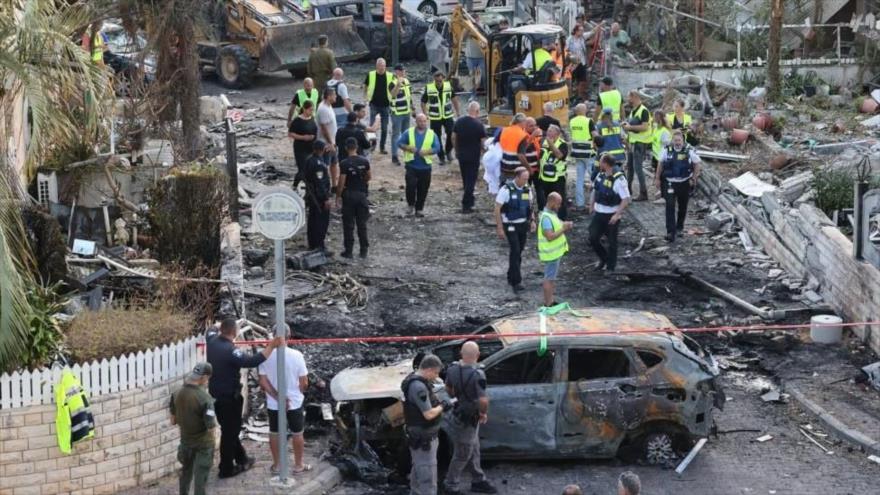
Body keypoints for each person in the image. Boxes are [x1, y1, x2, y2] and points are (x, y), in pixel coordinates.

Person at [206, 320, 282, 479]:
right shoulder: (230, 350)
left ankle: (242, 458)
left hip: (217, 396)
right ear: (234, 332)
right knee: (229, 433)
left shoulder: (212, 341)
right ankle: (225, 469)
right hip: (229, 398)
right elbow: (252, 361)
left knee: (230, 429)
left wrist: (218, 325)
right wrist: (271, 346)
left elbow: (211, 329)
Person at [443, 342, 497, 495]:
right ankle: (451, 485)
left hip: (459, 414)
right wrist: (483, 413)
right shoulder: (478, 374)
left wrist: (457, 396)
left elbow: (448, 388)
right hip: (470, 418)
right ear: (478, 355)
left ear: (461, 353)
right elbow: (483, 400)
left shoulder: (452, 368)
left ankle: (478, 480)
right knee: (462, 454)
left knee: (474, 448)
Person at [257, 328, 311, 476]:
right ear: (289, 336)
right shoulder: (297, 355)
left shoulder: (265, 356)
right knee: (297, 432)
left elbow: (263, 381)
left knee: (274, 432)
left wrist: (278, 397)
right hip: (295, 402)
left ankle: (277, 465)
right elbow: (304, 382)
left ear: (273, 336)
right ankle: (299, 465)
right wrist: (298, 392)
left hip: (274, 403)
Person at [401, 354, 449, 495]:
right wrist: (443, 406)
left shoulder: (412, 379)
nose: (436, 377)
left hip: (418, 435)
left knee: (418, 471)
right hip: (423, 438)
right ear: (428, 369)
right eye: (435, 373)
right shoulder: (418, 387)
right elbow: (428, 414)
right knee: (428, 477)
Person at [170, 363, 216, 495]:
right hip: (203, 444)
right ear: (205, 377)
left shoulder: (176, 394)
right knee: (200, 477)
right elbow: (210, 426)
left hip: (185, 441)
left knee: (185, 473)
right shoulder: (206, 399)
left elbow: (173, 420)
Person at [655, 130, 701, 243]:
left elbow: (697, 164)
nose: (677, 142)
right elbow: (660, 164)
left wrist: (694, 178)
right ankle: (670, 232)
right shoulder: (666, 150)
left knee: (682, 207)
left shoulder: (689, 151)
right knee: (670, 205)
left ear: (683, 140)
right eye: (675, 140)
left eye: (679, 140)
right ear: (672, 141)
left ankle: (679, 227)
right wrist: (657, 178)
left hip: (684, 183)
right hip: (669, 182)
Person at [494, 167, 534, 293]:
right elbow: (497, 209)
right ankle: (516, 281)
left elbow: (530, 207)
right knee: (515, 250)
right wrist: (500, 227)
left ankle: (511, 275)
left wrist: (533, 221)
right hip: (509, 224)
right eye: (524, 179)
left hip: (522, 224)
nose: (526, 181)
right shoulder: (506, 190)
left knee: (519, 251)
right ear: (517, 177)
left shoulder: (527, 189)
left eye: (527, 179)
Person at [589, 154, 630, 273]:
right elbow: (595, 190)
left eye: (600, 162)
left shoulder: (619, 179)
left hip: (611, 215)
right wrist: (591, 205)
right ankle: (604, 258)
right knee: (592, 237)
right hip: (599, 213)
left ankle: (611, 267)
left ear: (606, 164)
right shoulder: (600, 175)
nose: (598, 164)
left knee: (612, 242)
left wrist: (617, 215)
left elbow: (626, 199)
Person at [398, 114, 441, 217]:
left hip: (425, 166)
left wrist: (427, 152)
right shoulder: (409, 132)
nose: (422, 123)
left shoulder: (431, 134)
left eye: (424, 121)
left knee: (423, 188)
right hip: (411, 165)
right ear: (416, 122)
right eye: (420, 121)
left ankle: (419, 209)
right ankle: (411, 204)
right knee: (410, 186)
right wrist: (408, 148)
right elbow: (399, 143)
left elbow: (437, 148)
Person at [337, 137, 371, 258]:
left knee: (348, 224)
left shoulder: (344, 163)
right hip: (361, 195)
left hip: (349, 195)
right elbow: (369, 176)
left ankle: (349, 251)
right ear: (357, 147)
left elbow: (341, 182)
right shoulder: (364, 161)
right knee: (362, 224)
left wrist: (338, 196)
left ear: (346, 148)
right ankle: (363, 250)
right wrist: (362, 182)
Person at [538, 192, 572, 307]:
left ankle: (551, 301)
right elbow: (550, 236)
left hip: (554, 253)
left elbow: (556, 225)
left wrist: (564, 224)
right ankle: (548, 304)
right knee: (549, 279)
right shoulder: (546, 218)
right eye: (558, 204)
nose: (559, 206)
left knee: (551, 279)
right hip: (551, 254)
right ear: (551, 202)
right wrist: (563, 228)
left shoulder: (551, 214)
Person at [453, 101, 487, 213]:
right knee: (471, 180)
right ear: (477, 111)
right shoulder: (478, 125)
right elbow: (483, 141)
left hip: (461, 155)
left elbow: (453, 137)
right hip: (473, 156)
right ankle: (466, 205)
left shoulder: (459, 121)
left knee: (465, 178)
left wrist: (456, 150)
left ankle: (470, 200)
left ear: (468, 110)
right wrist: (483, 152)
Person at [421, 71, 460, 165]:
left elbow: (454, 99)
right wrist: (425, 115)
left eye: (440, 80)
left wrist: (458, 111)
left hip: (448, 115)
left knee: (451, 134)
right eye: (437, 80)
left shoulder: (448, 86)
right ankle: (441, 157)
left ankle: (448, 151)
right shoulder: (429, 88)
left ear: (443, 79)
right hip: (435, 117)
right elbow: (423, 102)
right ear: (434, 79)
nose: (439, 82)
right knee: (436, 138)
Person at [622, 90, 652, 201]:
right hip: (632, 143)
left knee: (638, 168)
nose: (628, 100)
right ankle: (628, 190)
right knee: (630, 167)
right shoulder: (633, 111)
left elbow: (644, 127)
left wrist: (630, 128)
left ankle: (643, 193)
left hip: (640, 143)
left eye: (629, 97)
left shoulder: (644, 111)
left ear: (634, 97)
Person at [303, 140, 333, 253]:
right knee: (320, 222)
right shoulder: (318, 164)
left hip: (312, 195)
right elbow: (320, 182)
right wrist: (326, 198)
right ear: (322, 149)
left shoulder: (310, 160)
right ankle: (319, 245)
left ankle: (312, 243)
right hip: (319, 197)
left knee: (312, 220)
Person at [537, 125, 569, 219]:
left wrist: (551, 144)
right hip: (544, 177)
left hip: (557, 178)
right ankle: (549, 217)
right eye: (548, 130)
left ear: (557, 134)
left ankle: (561, 219)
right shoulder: (543, 142)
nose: (548, 132)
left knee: (559, 199)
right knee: (547, 199)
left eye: (551, 131)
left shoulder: (562, 144)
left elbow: (559, 156)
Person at [570, 103, 597, 210]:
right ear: (585, 111)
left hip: (577, 153)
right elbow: (595, 135)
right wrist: (596, 145)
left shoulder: (572, 121)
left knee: (579, 179)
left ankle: (580, 204)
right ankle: (593, 203)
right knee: (595, 178)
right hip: (588, 153)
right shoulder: (589, 121)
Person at [364, 58, 393, 154]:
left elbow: (393, 89)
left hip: (386, 105)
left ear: (385, 66)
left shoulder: (390, 76)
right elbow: (366, 87)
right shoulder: (371, 74)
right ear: (376, 66)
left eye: (383, 66)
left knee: (385, 128)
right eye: (379, 66)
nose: (381, 68)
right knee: (371, 127)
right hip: (374, 104)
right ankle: (372, 145)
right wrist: (365, 98)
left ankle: (382, 147)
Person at [390, 64, 415, 166]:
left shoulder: (407, 81)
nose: (404, 72)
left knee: (406, 134)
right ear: (397, 72)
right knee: (396, 135)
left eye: (404, 70)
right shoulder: (392, 83)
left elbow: (409, 96)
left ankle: (407, 156)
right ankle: (394, 156)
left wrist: (413, 109)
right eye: (402, 70)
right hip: (397, 113)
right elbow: (393, 94)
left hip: (406, 112)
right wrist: (398, 84)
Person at [498, 113, 530, 180]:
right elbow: (521, 155)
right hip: (516, 169)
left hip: (503, 166)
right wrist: (529, 168)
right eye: (525, 122)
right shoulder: (522, 135)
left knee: (504, 188)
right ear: (522, 122)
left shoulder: (504, 130)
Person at [595, 107, 626, 174]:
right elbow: (623, 139)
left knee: (606, 177)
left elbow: (596, 142)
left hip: (606, 157)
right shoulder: (618, 125)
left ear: (602, 115)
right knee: (619, 175)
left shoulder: (598, 126)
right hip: (619, 156)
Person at [317, 88, 339, 169]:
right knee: (325, 165)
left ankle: (333, 182)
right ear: (329, 96)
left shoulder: (328, 106)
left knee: (334, 163)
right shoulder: (323, 109)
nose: (336, 96)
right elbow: (324, 129)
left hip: (332, 142)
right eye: (334, 95)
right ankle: (325, 181)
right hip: (326, 143)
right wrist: (330, 143)